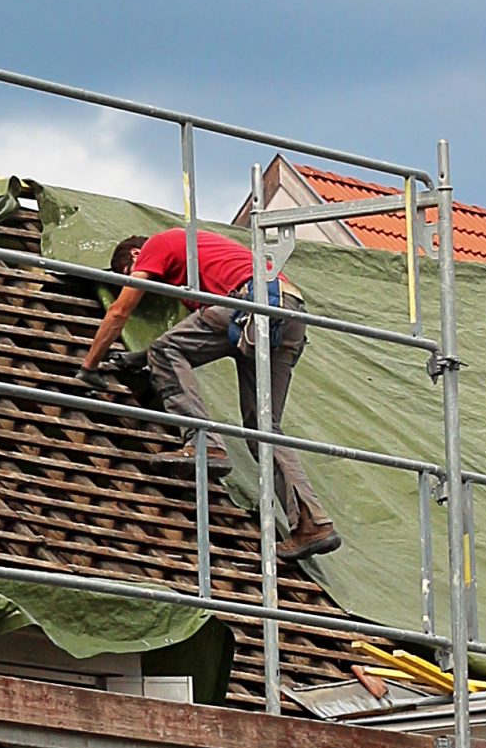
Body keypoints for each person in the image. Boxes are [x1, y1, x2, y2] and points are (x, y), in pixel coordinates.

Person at [79, 226, 343, 562]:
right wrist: (139, 358)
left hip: (251, 303)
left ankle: (203, 444)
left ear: (135, 255)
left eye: (131, 274)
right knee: (263, 428)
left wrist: (90, 365)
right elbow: (207, 335)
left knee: (165, 351)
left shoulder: (158, 243)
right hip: (287, 313)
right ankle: (312, 525)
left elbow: (120, 311)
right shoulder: (201, 268)